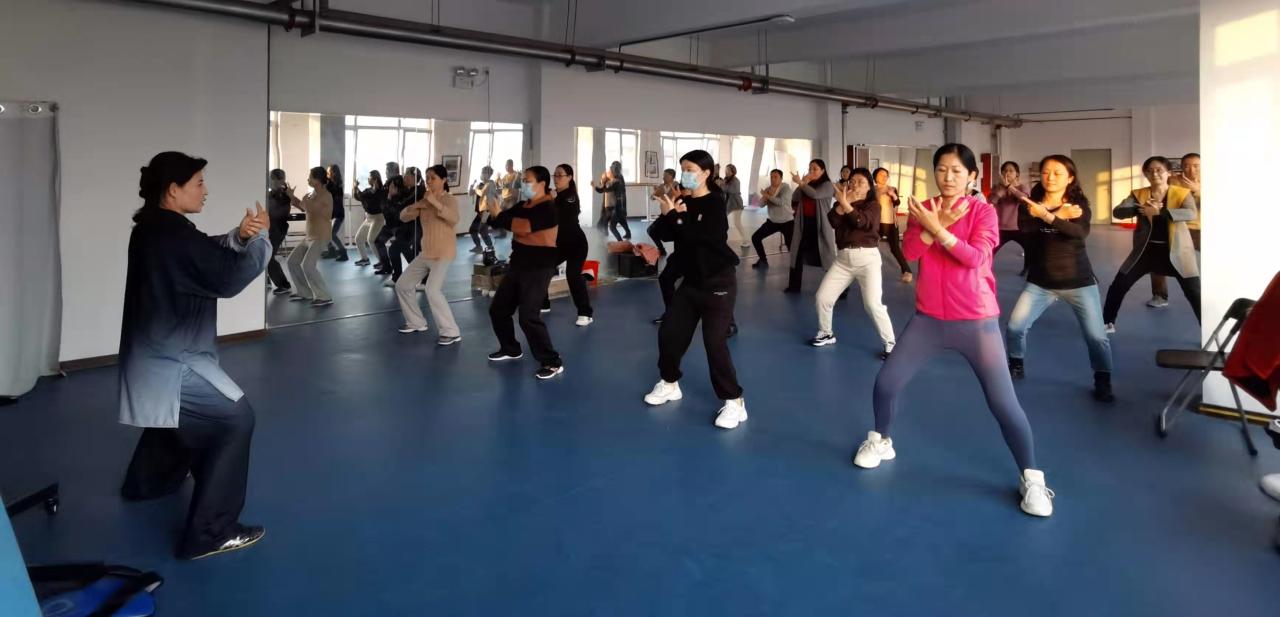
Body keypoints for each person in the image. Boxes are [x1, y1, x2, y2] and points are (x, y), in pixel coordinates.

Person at [852, 143, 1055, 518]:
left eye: (956, 171)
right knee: (886, 383)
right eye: (942, 169)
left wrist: (938, 230)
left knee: (1003, 403)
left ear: (972, 176)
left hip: (976, 321)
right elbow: (910, 252)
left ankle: (1032, 477)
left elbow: (976, 257)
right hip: (928, 319)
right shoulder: (924, 208)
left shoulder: (983, 211)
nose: (947, 177)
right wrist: (933, 226)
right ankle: (881, 439)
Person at [118, 151, 271, 559]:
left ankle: (148, 482)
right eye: (199, 183)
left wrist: (238, 237)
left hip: (151, 356)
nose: (206, 190)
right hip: (172, 363)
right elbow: (227, 276)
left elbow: (203, 252)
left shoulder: (153, 227)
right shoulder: (173, 236)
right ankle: (210, 533)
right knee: (235, 419)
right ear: (173, 190)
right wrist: (261, 240)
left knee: (181, 417)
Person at [644, 150, 747, 430]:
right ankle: (669, 383)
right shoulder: (682, 200)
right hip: (691, 283)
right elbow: (664, 234)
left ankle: (734, 401)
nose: (685, 174)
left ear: (706, 173)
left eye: (690, 169)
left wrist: (677, 219)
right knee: (670, 334)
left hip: (718, 282)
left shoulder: (714, 203)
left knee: (714, 342)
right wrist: (669, 214)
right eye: (683, 169)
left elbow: (705, 237)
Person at [1005, 155, 1115, 402]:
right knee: (1015, 327)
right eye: (1045, 172)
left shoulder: (1078, 205)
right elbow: (1027, 231)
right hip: (1041, 282)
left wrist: (1047, 216)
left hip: (1079, 281)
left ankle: (1103, 378)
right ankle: (1016, 363)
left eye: (1057, 173)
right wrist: (1057, 214)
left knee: (1097, 336)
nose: (1050, 177)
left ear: (1070, 178)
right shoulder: (1029, 204)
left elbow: (1078, 232)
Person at [1102, 156, 1200, 332]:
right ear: (1146, 174)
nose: (1155, 174)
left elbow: (1191, 213)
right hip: (1145, 252)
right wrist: (1137, 209)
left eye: (1159, 170)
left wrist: (1160, 212)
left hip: (1177, 251)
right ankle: (1107, 322)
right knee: (1119, 285)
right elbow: (1118, 212)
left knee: (1194, 292)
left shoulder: (1181, 193)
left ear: (1168, 173)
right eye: (1150, 171)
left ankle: (1207, 329)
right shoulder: (1138, 194)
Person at [487, 166, 565, 379]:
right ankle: (511, 348)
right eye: (523, 180)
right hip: (518, 263)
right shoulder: (523, 205)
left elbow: (523, 227)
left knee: (528, 317)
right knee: (498, 310)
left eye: (527, 180)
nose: (523, 184)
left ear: (542, 183)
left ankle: (552, 361)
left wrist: (500, 217)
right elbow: (500, 221)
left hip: (539, 266)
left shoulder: (549, 208)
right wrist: (495, 214)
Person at [810, 168, 896, 358]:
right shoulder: (842, 202)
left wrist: (844, 204)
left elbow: (861, 222)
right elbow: (833, 220)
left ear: (869, 187)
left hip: (867, 260)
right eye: (853, 181)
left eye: (861, 182)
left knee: (872, 304)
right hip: (843, 260)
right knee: (823, 297)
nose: (855, 185)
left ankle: (890, 343)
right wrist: (844, 203)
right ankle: (826, 332)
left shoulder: (873, 205)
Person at [394, 165, 462, 345]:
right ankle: (416, 322)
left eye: (433, 178)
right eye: (427, 178)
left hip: (443, 253)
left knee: (432, 290)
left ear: (443, 180)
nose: (429, 181)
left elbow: (454, 219)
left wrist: (434, 201)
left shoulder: (449, 199)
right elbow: (403, 217)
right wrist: (417, 205)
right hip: (426, 253)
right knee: (402, 285)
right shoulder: (424, 201)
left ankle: (451, 332)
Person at [1149, 152, 1202, 308]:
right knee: (1157, 258)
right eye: (1187, 166)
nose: (1191, 170)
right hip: (1175, 227)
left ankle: (1204, 295)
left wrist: (1198, 190)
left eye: (1196, 166)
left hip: (1199, 229)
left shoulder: (1212, 181)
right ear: (1181, 167)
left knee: (1198, 265)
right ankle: (1159, 295)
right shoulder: (1173, 181)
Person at [548, 164, 594, 326]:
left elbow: (563, 216)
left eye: (560, 175)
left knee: (572, 276)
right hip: (559, 244)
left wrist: (551, 199)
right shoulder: (553, 195)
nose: (556, 178)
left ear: (569, 177)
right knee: (543, 268)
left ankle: (585, 313)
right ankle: (543, 303)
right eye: (555, 175)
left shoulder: (570, 196)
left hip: (576, 244)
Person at [784, 160, 837, 293]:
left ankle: (840, 288)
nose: (811, 171)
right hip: (804, 223)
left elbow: (815, 194)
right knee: (797, 253)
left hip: (820, 224)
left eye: (815, 169)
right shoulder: (806, 184)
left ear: (823, 171)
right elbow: (795, 197)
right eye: (810, 169)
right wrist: (803, 183)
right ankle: (794, 286)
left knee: (827, 256)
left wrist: (802, 183)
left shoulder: (828, 185)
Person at [284, 166, 334, 306]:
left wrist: (306, 202)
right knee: (292, 261)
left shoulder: (326, 196)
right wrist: (291, 196)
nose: (308, 179)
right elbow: (303, 206)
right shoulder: (310, 195)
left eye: (310, 177)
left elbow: (321, 212)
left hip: (321, 236)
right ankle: (304, 292)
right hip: (309, 236)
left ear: (317, 180)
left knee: (308, 266)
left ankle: (324, 296)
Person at [988, 161, 1031, 276]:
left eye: (1011, 171)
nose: (1007, 173)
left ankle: (1027, 269)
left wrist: (1009, 187)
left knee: (1029, 249)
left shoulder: (1022, 187)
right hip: (1000, 227)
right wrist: (999, 193)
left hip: (1019, 228)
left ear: (1017, 174)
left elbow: (1024, 199)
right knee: (990, 250)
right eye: (1004, 171)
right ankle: (985, 269)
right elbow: (990, 203)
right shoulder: (996, 188)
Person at [384, 167, 422, 286]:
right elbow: (395, 209)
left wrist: (392, 196)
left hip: (414, 227)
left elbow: (401, 207)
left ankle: (422, 279)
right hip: (406, 227)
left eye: (407, 175)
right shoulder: (408, 191)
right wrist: (391, 196)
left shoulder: (418, 191)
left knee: (397, 250)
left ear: (414, 177)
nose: (404, 177)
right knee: (405, 253)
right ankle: (399, 277)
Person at [873, 167, 912, 283]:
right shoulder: (871, 189)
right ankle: (869, 272)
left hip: (891, 222)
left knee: (895, 248)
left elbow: (897, 202)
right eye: (881, 175)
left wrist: (893, 195)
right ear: (875, 176)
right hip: (877, 223)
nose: (884, 177)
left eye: (886, 175)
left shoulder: (892, 189)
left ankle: (907, 271)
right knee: (871, 246)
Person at [751, 169, 794, 269]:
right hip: (773, 222)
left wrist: (767, 196)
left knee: (790, 245)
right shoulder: (768, 189)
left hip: (787, 221)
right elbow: (761, 205)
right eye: (771, 177)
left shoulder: (786, 188)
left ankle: (796, 263)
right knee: (755, 237)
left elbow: (781, 202)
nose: (773, 179)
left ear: (781, 178)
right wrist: (764, 197)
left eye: (775, 177)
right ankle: (763, 260)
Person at [265, 169, 294, 295]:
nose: (269, 181)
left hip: (278, 229)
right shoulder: (271, 193)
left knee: (268, 257)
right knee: (264, 254)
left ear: (276, 180)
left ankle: (284, 284)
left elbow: (277, 212)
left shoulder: (284, 194)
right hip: (270, 229)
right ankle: (266, 280)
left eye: (271, 178)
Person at [372, 162, 402, 275]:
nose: (386, 172)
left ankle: (406, 273)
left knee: (400, 249)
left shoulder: (399, 183)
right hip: (389, 223)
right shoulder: (388, 183)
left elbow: (397, 202)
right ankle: (387, 267)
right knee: (378, 241)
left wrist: (389, 197)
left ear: (395, 171)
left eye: (388, 170)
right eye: (386, 170)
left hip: (398, 224)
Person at [351, 170, 386, 267]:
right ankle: (365, 259)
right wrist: (355, 187)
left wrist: (357, 188)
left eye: (369, 177)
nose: (368, 179)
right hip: (369, 218)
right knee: (358, 239)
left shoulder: (381, 191)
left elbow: (369, 198)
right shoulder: (369, 190)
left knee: (371, 240)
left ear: (375, 179)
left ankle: (383, 262)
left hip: (378, 218)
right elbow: (359, 197)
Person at [595, 161, 631, 241]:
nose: (609, 171)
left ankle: (619, 236)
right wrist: (603, 180)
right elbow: (603, 185)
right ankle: (607, 232)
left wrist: (600, 184)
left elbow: (610, 188)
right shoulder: (611, 176)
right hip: (609, 200)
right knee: (617, 219)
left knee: (617, 220)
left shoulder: (618, 178)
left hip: (615, 201)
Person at [649, 168, 679, 256]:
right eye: (663, 175)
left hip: (674, 214)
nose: (663, 177)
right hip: (664, 215)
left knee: (676, 234)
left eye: (665, 176)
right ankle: (662, 250)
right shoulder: (661, 186)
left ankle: (678, 252)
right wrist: (655, 192)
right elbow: (652, 197)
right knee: (651, 231)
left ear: (671, 177)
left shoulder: (677, 186)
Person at [469, 165, 498, 254]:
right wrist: (471, 188)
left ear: (488, 174)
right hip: (480, 212)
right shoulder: (481, 184)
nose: (482, 174)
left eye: (483, 173)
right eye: (482, 172)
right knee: (473, 230)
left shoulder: (491, 184)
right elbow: (471, 193)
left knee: (482, 231)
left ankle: (490, 249)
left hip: (486, 212)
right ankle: (479, 247)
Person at [323, 164, 348, 262]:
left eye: (328, 172)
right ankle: (331, 251)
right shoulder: (331, 184)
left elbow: (333, 197)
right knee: (325, 233)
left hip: (338, 214)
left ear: (333, 173)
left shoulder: (337, 185)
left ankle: (343, 253)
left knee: (332, 235)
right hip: (332, 213)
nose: (327, 174)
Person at [721, 163, 747, 248]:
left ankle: (746, 241)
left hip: (736, 204)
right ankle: (721, 239)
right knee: (722, 219)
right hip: (729, 204)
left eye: (728, 170)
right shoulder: (726, 179)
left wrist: (722, 185)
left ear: (733, 171)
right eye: (726, 170)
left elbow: (732, 190)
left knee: (737, 223)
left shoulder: (736, 181)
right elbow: (724, 191)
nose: (726, 172)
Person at [495, 159, 519, 237]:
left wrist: (503, 183)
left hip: (512, 198)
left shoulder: (516, 174)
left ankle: (517, 234)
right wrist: (498, 178)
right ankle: (503, 233)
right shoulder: (506, 175)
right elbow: (500, 184)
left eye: (507, 166)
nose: (506, 167)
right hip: (504, 199)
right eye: (505, 166)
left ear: (511, 165)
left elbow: (509, 184)